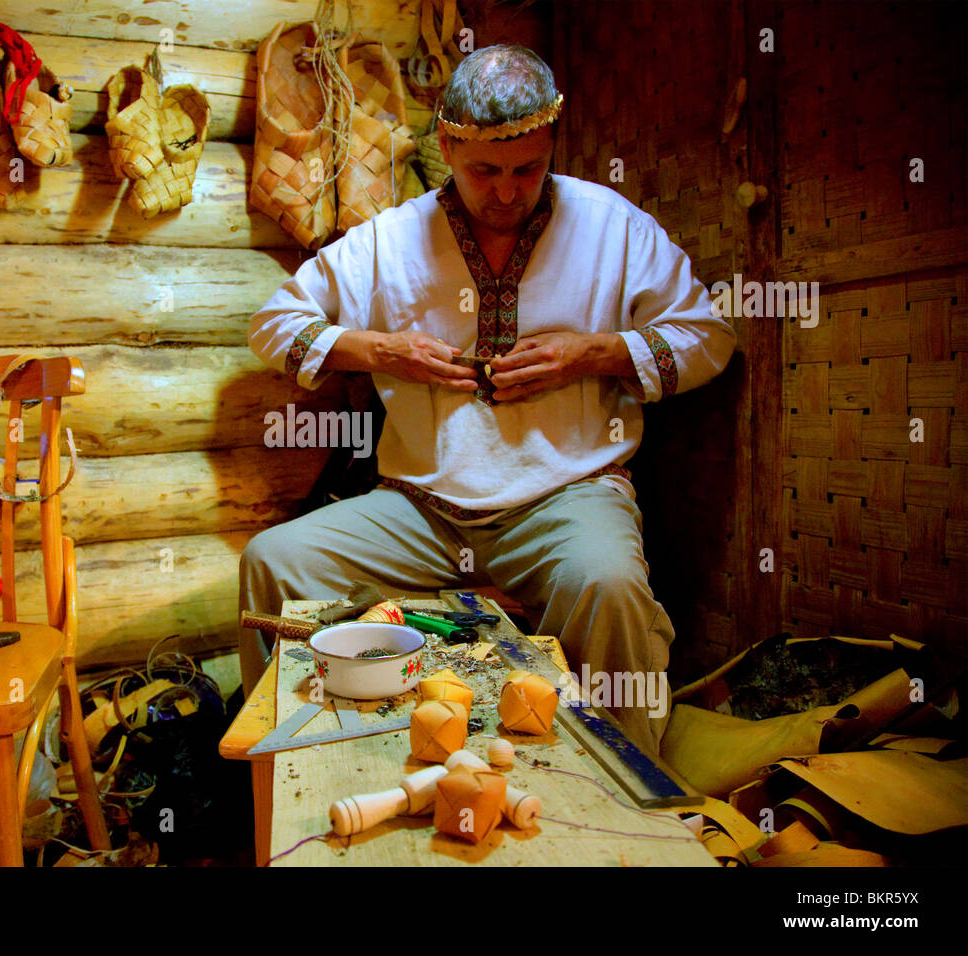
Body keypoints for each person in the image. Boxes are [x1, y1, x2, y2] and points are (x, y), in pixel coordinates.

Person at [239, 44, 735, 755]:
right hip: (421, 508)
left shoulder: (611, 225)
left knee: (610, 586)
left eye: (527, 169)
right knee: (274, 561)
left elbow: (707, 336)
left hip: (568, 497)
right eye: (484, 172)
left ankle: (631, 805)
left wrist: (591, 352)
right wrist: (385, 349)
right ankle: (293, 771)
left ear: (552, 144)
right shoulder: (389, 239)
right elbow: (273, 324)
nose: (506, 192)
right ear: (445, 145)